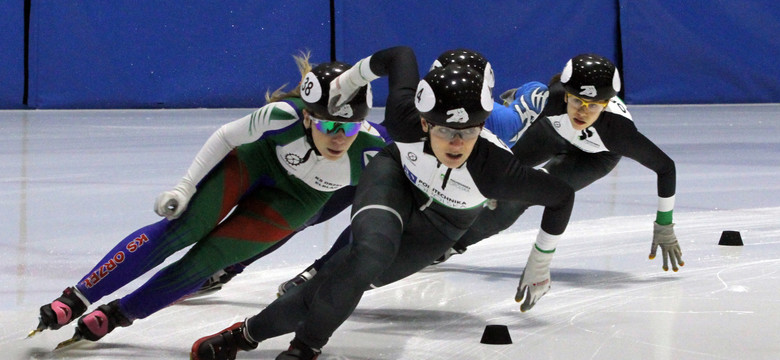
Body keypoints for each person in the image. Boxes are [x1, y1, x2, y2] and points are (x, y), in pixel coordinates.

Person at [190, 49, 575, 360]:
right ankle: (304, 349)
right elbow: (399, 56)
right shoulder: (404, 119)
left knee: (339, 280)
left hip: (442, 224)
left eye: (468, 132)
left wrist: (540, 261)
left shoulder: (498, 169)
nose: (456, 144)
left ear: (482, 125)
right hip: (394, 180)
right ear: (423, 123)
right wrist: (351, 80)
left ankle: (244, 335)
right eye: (444, 130)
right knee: (367, 257)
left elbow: (561, 196)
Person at [30, 54, 390, 345]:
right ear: (308, 115)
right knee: (184, 228)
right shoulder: (282, 116)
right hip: (256, 162)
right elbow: (225, 136)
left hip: (299, 199)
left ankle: (117, 315)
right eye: (328, 125)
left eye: (350, 127)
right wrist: (184, 188)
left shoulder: (372, 151)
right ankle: (77, 297)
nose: (339, 138)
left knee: (207, 261)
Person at [437, 53, 684, 273]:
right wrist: (520, 105)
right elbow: (531, 94)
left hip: (595, 157)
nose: (583, 112)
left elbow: (666, 167)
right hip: (555, 131)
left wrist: (664, 223)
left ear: (606, 104)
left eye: (594, 106)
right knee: (495, 167)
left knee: (518, 197)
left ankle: (450, 246)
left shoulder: (617, 132)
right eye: (577, 101)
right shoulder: (552, 99)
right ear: (566, 95)